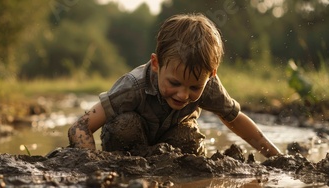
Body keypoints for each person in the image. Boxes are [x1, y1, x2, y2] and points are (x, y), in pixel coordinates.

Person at [67, 13, 281, 158]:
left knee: (187, 136)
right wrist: (92, 166)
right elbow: (80, 126)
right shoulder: (132, 86)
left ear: (211, 75)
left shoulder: (209, 85)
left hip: (173, 143)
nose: (183, 94)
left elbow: (235, 119)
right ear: (156, 63)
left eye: (194, 87)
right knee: (126, 125)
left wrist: (276, 157)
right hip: (128, 147)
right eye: (174, 83)